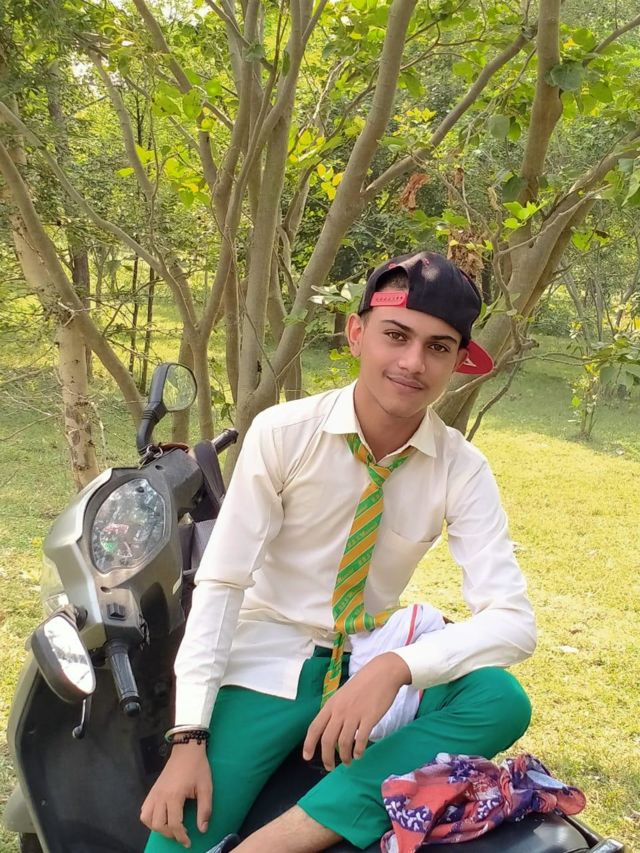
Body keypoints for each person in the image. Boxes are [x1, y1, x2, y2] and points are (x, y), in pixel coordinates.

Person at [140, 250, 537, 853]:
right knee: (176, 838)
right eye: (396, 336)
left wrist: (394, 667)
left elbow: (513, 621)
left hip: (367, 654)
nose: (412, 362)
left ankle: (287, 838)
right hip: (268, 664)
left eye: (437, 347)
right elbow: (222, 583)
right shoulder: (284, 433)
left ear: (459, 362)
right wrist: (188, 738)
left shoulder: (462, 467)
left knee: (500, 700)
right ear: (356, 334)